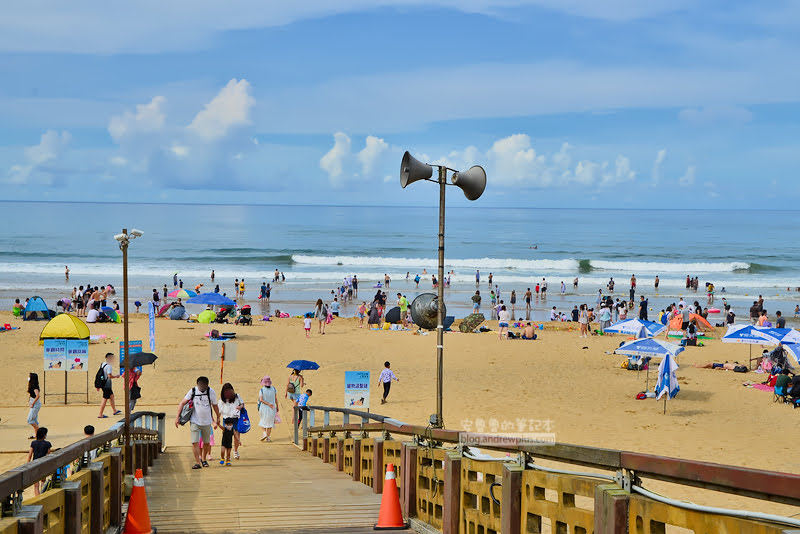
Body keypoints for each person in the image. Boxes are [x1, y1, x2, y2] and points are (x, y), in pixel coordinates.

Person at [175, 376, 220, 470]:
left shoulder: (211, 392)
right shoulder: (193, 391)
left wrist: (218, 417)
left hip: (207, 421)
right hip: (195, 421)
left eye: (203, 386)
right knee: (194, 442)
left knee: (207, 442)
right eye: (200, 386)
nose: (201, 388)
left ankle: (204, 459)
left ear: (207, 385)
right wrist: (177, 417)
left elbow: (215, 405)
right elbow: (182, 403)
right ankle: (197, 462)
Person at [218, 382, 244, 461]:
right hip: (226, 419)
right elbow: (219, 411)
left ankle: (235, 450)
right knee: (227, 436)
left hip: (235, 418)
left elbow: (242, 404)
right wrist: (217, 419)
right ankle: (227, 454)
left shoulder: (237, 396)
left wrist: (240, 407)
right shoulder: (221, 400)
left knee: (237, 435)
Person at [27, 427, 52, 495]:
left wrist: (27, 464)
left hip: (35, 463)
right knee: (43, 482)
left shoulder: (33, 443)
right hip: (43, 464)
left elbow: (30, 455)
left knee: (36, 485)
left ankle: (37, 498)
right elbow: (48, 455)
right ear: (44, 435)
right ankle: (43, 495)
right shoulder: (47, 444)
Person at [97, 353, 121, 418]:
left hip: (103, 384)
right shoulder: (109, 366)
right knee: (105, 398)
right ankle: (100, 414)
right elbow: (109, 376)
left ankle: (114, 410)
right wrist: (116, 376)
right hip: (106, 385)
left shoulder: (103, 364)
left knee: (111, 396)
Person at [257, 376, 278, 442]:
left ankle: (264, 433)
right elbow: (275, 399)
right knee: (270, 423)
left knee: (263, 420)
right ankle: (268, 437)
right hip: (272, 408)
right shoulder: (273, 389)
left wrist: (268, 404)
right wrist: (277, 406)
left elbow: (261, 400)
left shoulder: (262, 390)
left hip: (264, 407)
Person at [27, 372, 41, 438]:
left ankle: (40, 434)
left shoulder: (35, 386)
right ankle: (36, 435)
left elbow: (38, 395)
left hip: (35, 403)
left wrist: (32, 403)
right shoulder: (31, 385)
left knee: (30, 420)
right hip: (33, 401)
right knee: (34, 420)